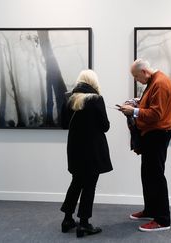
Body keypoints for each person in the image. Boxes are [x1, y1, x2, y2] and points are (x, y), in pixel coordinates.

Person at [119, 59, 171, 232]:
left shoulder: (160, 83)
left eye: (136, 76)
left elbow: (156, 114)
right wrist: (137, 102)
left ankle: (163, 220)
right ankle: (151, 209)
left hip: (157, 135)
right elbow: (152, 104)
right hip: (151, 135)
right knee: (147, 174)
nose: (136, 80)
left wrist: (133, 111)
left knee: (156, 176)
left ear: (144, 71)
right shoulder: (153, 82)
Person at [60, 70, 113, 238]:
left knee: (76, 182)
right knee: (89, 185)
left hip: (75, 148)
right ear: (93, 82)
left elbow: (63, 124)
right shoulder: (96, 99)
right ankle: (84, 224)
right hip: (93, 149)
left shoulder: (68, 97)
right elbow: (105, 126)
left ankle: (67, 219)